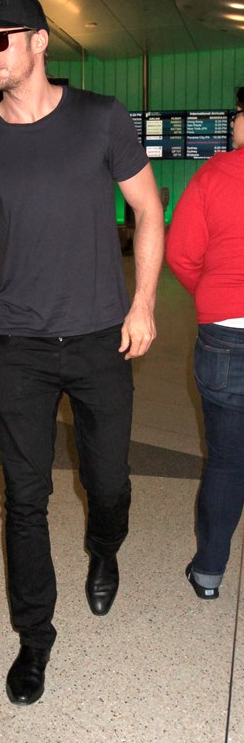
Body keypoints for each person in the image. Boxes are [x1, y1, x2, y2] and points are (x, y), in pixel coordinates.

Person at [0, 0, 164, 705]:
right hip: (21, 345)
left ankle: (104, 548)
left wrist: (143, 303)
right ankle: (34, 637)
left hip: (103, 336)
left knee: (108, 483)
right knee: (25, 500)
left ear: (39, 41)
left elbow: (148, 209)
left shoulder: (101, 118)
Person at [166, 87, 244, 601]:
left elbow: (181, 253)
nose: (234, 121)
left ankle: (209, 573)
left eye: (238, 113)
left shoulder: (214, 175)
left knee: (227, 461)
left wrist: (215, 296)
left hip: (227, 335)